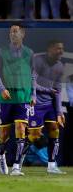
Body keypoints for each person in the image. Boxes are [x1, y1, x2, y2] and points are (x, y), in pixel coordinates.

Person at [0, 24, 34, 176]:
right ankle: (2, 155)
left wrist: (33, 94)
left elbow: (33, 75)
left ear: (23, 34)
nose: (13, 34)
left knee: (21, 129)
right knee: (4, 134)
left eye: (15, 31)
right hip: (6, 98)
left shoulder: (29, 53)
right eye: (11, 32)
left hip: (22, 96)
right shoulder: (2, 51)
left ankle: (16, 167)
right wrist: (2, 89)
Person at [28, 40, 66, 174]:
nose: (60, 51)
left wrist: (59, 111)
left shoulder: (60, 66)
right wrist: (37, 94)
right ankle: (19, 161)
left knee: (54, 130)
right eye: (57, 48)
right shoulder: (37, 60)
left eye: (62, 49)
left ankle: (52, 165)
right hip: (35, 103)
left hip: (49, 104)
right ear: (49, 49)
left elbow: (58, 89)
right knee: (34, 135)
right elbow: (32, 81)